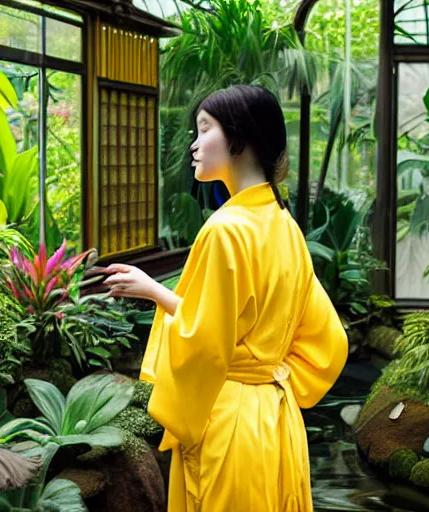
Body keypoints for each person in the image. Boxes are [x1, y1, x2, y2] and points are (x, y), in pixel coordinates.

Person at [103, 85, 348, 512]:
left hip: (229, 421)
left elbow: (206, 341)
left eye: (204, 129)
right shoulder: (284, 225)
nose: (194, 145)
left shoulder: (225, 229)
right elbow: (327, 341)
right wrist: (158, 291)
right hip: (277, 417)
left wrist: (158, 296)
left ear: (239, 136)